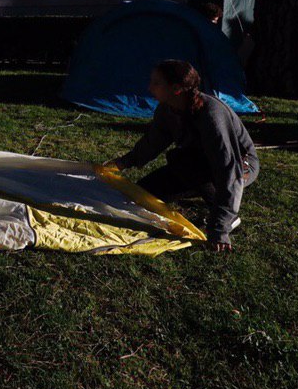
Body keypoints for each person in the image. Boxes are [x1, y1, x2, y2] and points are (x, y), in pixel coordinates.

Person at [106, 59, 258, 252]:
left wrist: (220, 228)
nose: (150, 87)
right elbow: (153, 142)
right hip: (193, 163)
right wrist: (123, 162)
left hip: (240, 165)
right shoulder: (167, 108)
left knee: (188, 165)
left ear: (177, 88)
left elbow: (228, 170)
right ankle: (203, 191)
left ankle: (227, 215)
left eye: (156, 83)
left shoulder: (211, 115)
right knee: (144, 193)